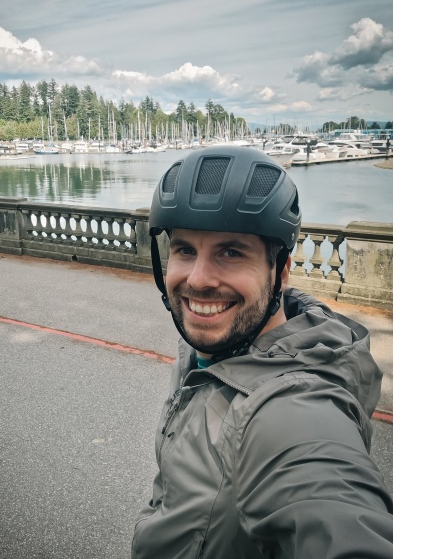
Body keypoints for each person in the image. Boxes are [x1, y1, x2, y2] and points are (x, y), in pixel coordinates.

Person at [132, 146, 392, 559]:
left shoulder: (292, 409)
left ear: (281, 272)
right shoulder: (203, 347)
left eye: (231, 252)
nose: (197, 279)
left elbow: (331, 505)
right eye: (185, 249)